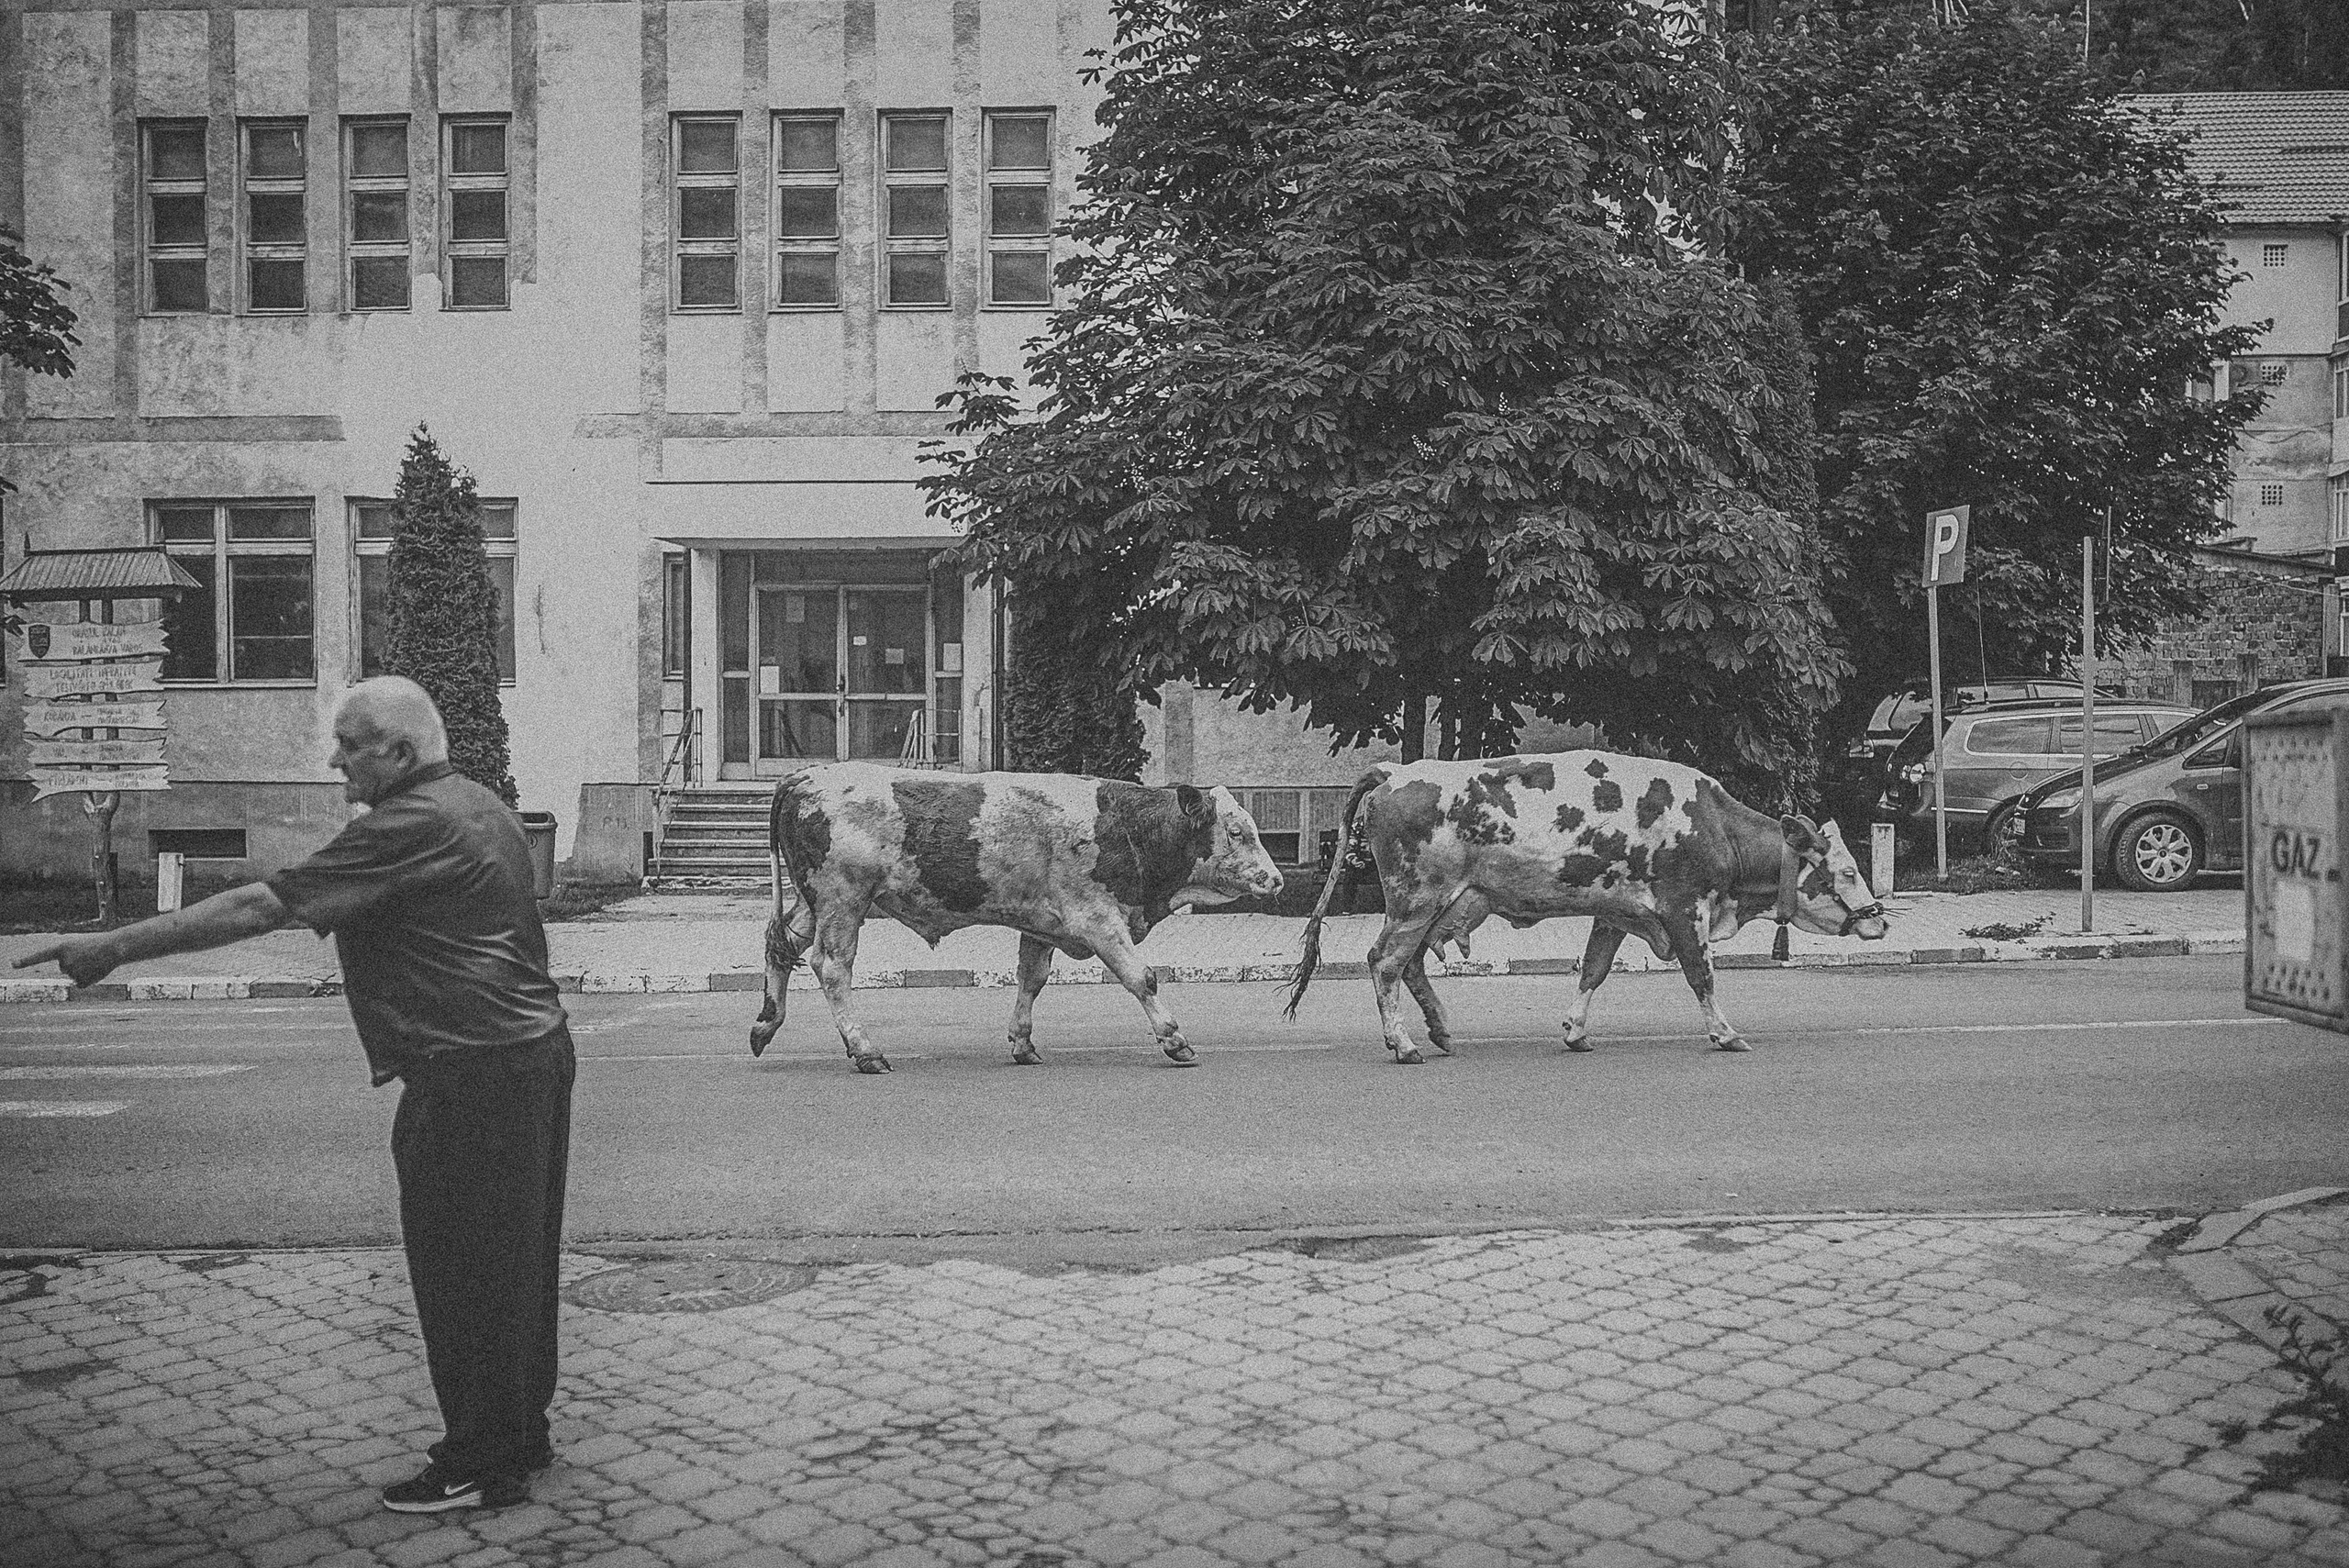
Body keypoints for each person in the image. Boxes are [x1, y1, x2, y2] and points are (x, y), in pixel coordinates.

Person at [14, 676, 573, 1515]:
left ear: (400, 751)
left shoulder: (406, 823)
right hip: (528, 1056)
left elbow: (261, 903)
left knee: (459, 1270)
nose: (335, 757)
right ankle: (518, 1431)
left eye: (351, 743)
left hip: (470, 1073)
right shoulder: (477, 801)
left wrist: (114, 946)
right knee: (516, 1261)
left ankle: (479, 1459)